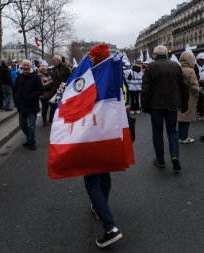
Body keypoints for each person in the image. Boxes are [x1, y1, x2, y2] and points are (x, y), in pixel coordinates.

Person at [84, 43, 123, 248]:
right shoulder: (115, 75)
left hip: (91, 134)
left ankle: (110, 227)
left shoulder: (89, 78)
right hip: (110, 132)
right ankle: (101, 207)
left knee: (91, 183)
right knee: (105, 174)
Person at [142, 45, 189, 171]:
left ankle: (160, 159)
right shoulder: (176, 66)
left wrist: (145, 106)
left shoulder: (151, 67)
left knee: (157, 132)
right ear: (166, 54)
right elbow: (184, 86)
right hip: (173, 105)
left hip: (156, 106)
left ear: (155, 55)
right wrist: (185, 104)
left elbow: (145, 89)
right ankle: (174, 155)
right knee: (172, 131)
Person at [15, 60, 44, 150]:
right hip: (22, 106)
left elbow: (41, 90)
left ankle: (31, 142)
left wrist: (32, 96)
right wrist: (16, 101)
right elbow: (15, 90)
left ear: (30, 66)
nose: (26, 67)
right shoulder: (18, 77)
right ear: (22, 67)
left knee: (31, 126)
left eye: (28, 65)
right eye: (24, 65)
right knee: (22, 125)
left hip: (32, 105)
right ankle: (29, 138)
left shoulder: (36, 77)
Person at [178, 51, 199, 144]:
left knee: (181, 117)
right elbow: (194, 85)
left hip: (179, 96)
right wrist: (197, 94)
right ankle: (184, 137)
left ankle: (180, 136)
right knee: (186, 118)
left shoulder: (178, 69)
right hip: (189, 96)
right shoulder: (190, 71)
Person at [48, 55, 71, 124]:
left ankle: (62, 120)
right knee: (53, 106)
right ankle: (52, 121)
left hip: (62, 90)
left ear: (59, 60)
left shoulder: (66, 68)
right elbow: (53, 78)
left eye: (54, 60)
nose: (53, 62)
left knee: (60, 106)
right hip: (54, 90)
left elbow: (70, 78)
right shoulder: (54, 68)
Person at [195, 52, 204, 121]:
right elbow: (196, 77)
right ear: (199, 60)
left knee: (200, 100)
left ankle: (199, 112)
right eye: (203, 60)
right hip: (197, 85)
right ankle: (201, 115)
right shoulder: (195, 66)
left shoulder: (201, 65)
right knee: (200, 100)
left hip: (199, 85)